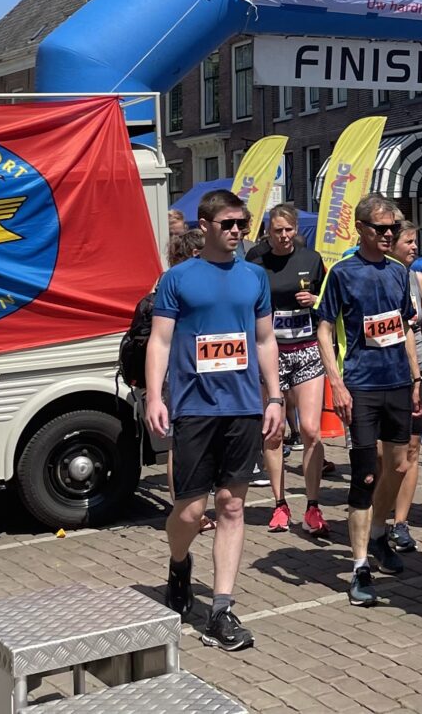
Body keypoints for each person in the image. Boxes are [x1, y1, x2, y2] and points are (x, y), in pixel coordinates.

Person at [143, 189, 286, 651]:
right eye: (228, 223)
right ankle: (180, 562)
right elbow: (160, 341)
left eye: (242, 223)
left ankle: (222, 607)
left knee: (232, 504)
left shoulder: (255, 277)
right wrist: (154, 397)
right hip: (194, 407)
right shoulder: (178, 279)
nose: (237, 231)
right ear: (203, 226)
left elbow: (264, 340)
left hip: (243, 407)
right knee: (188, 511)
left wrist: (275, 396)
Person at [315, 195, 422, 606]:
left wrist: (415, 377)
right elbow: (324, 329)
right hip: (360, 384)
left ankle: (379, 534)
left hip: (398, 381)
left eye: (393, 229)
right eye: (381, 229)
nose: (389, 235)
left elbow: (404, 328)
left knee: (398, 465)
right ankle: (359, 565)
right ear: (361, 228)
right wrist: (336, 383)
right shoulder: (343, 273)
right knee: (363, 474)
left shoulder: (400, 273)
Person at [249, 204, 329, 537]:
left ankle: (312, 505)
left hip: (307, 347)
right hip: (270, 353)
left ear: (297, 230)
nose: (283, 237)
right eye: (277, 230)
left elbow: (328, 301)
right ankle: (279, 503)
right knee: (274, 431)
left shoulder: (311, 259)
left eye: (289, 230)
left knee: (311, 430)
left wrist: (315, 300)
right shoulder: (254, 260)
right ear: (268, 231)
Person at [389, 220, 422, 551]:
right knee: (386, 452)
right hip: (386, 374)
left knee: (412, 448)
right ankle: (378, 513)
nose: (414, 247)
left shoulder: (419, 281)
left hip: (420, 369)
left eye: (415, 241)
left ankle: (400, 522)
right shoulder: (381, 280)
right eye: (408, 241)